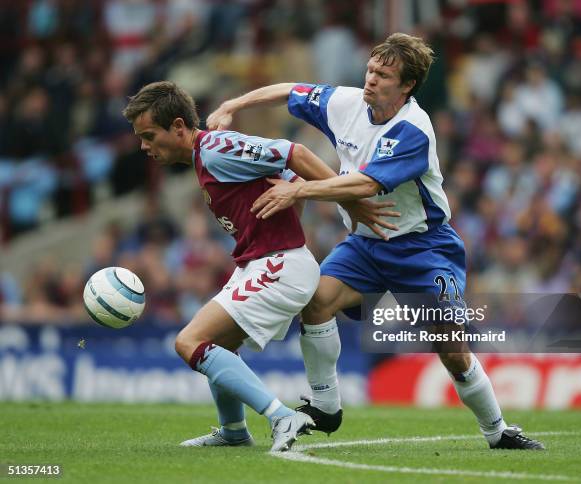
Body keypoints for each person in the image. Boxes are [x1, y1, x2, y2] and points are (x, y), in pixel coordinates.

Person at [207, 33, 545, 450]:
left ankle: (497, 431)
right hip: (365, 244)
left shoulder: (413, 129)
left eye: (383, 75)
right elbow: (288, 91)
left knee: (451, 348)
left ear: (406, 86)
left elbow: (366, 185)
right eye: (370, 70)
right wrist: (233, 105)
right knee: (315, 301)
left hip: (423, 248)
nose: (370, 80)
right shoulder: (347, 103)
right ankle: (326, 405)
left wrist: (299, 191)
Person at [122, 81, 398, 452]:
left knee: (189, 342)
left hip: (279, 265)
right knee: (220, 343)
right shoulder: (206, 159)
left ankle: (281, 416)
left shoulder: (216, 149)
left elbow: (294, 153)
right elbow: (289, 178)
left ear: (177, 126)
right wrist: (292, 202)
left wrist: (348, 198)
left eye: (148, 135)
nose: (143, 146)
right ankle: (234, 431)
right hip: (263, 263)